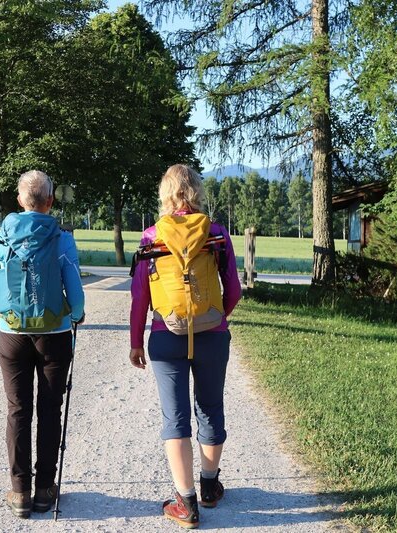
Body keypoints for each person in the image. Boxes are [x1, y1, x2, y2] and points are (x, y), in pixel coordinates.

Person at [129, 164, 242, 529]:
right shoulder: (216, 233)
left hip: (166, 336)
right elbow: (234, 289)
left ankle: (186, 503)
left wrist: (136, 342)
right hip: (212, 335)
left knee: (174, 417)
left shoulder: (151, 236)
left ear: (166, 195)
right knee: (211, 407)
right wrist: (215, 318)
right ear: (196, 192)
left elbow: (140, 298)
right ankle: (209, 487)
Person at [0, 170, 86, 519]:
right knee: (50, 410)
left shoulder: (0, 238)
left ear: (19, 200)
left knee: (18, 410)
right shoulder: (62, 238)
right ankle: (44, 490)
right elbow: (75, 294)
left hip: (12, 335)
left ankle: (19, 492)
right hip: (54, 336)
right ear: (50, 201)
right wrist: (77, 314)